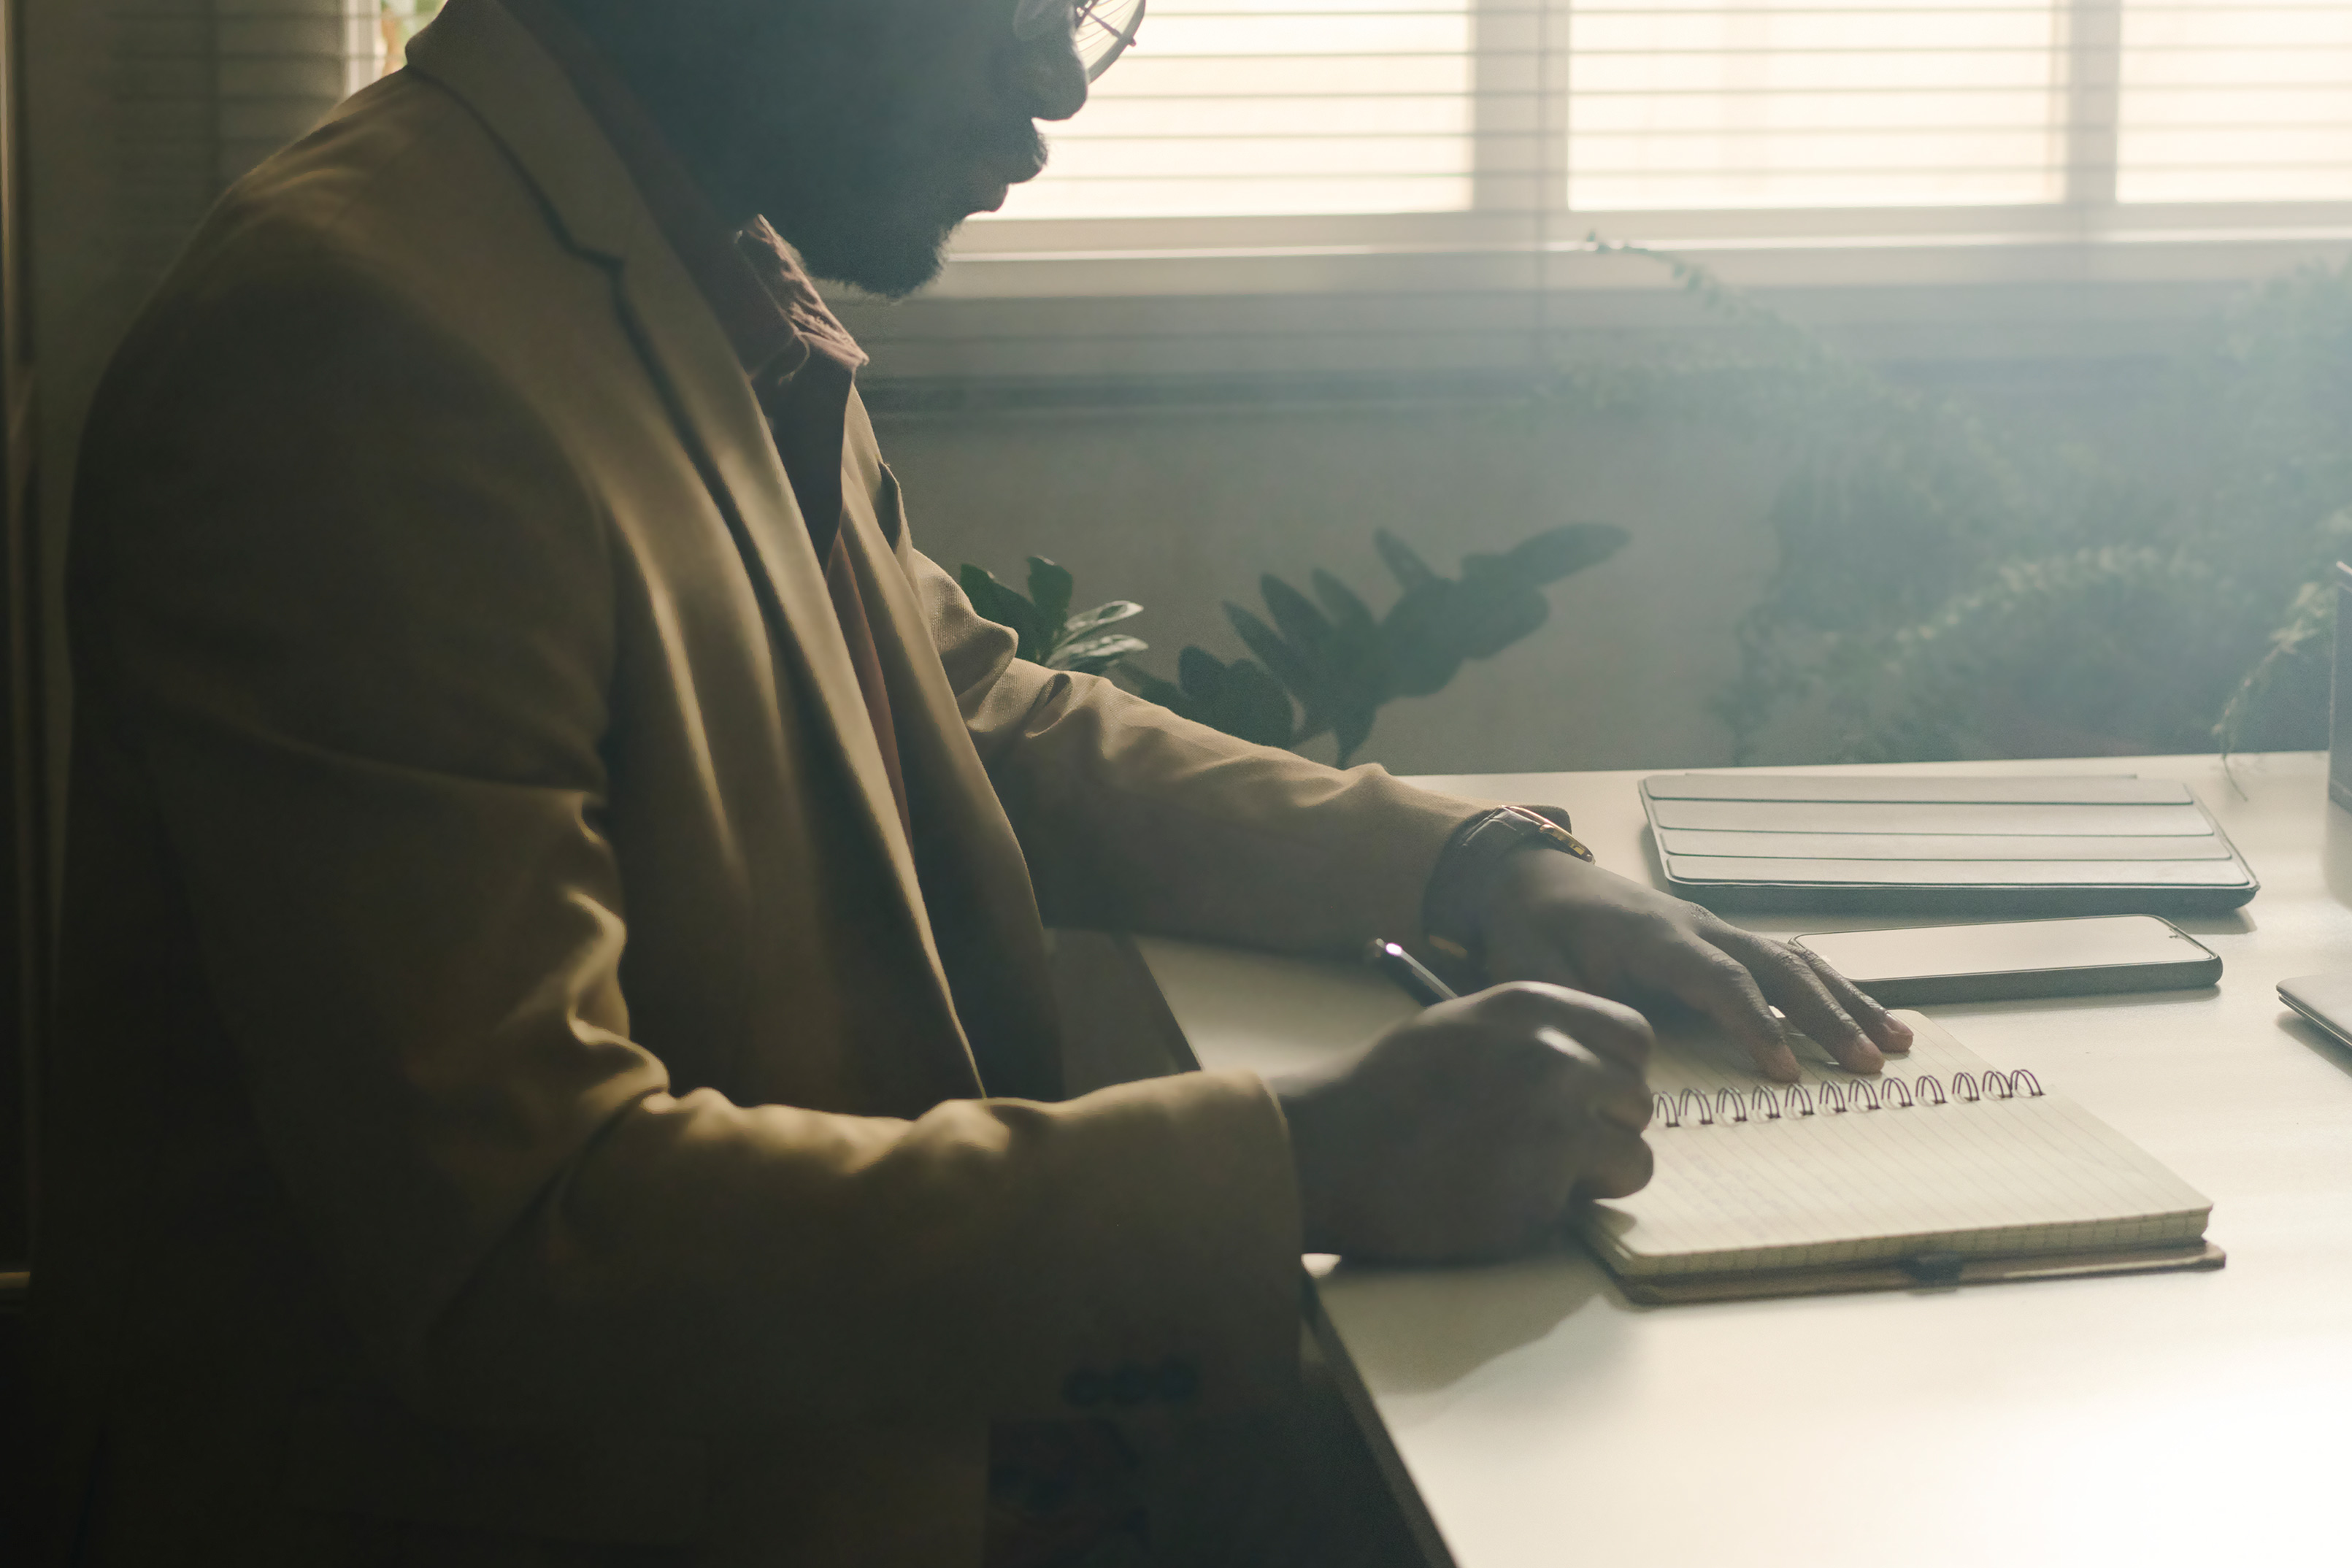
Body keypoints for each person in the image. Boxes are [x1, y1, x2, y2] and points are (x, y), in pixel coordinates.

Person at [28, 0, 1913, 1563]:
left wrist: (1475, 862)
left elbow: (965, 699)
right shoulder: (360, 353)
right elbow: (533, 1233)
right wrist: (1306, 1161)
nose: (1057, 73)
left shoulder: (648, 252)